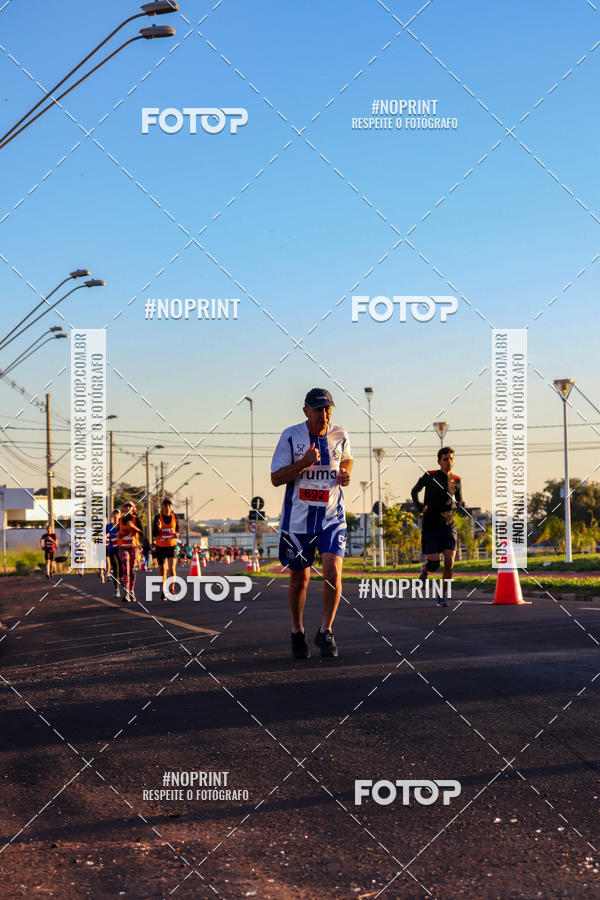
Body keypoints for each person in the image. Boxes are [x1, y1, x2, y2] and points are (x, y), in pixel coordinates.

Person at [271, 388, 353, 659]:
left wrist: (345, 474)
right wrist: (303, 463)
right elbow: (276, 478)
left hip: (332, 516)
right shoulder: (291, 436)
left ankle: (326, 631)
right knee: (300, 579)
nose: (324, 414)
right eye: (318, 409)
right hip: (299, 520)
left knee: (333, 574)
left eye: (328, 408)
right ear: (306, 411)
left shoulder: (339, 434)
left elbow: (348, 459)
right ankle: (297, 631)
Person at [411, 447, 465, 607]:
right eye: (445, 459)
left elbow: (459, 501)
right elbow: (414, 491)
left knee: (449, 562)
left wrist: (462, 505)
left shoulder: (457, 480)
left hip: (448, 526)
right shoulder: (430, 476)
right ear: (439, 461)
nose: (449, 462)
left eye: (451, 459)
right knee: (434, 564)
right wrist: (420, 506)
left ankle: (443, 595)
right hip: (431, 526)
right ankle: (425, 570)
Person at [153, 498, 180, 600]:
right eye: (165, 506)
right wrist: (159, 528)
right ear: (162, 507)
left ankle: (172, 587)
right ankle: (164, 591)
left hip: (171, 546)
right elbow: (154, 533)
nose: (167, 508)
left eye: (169, 506)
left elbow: (177, 530)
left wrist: (177, 534)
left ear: (171, 507)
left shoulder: (175, 517)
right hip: (160, 547)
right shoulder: (157, 518)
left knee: (172, 568)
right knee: (162, 571)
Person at [117, 500, 143, 602]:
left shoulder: (136, 519)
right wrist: (119, 535)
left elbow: (142, 533)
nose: (127, 508)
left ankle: (131, 590)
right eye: (126, 507)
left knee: (131, 570)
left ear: (133, 509)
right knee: (125, 569)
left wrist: (133, 527)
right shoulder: (121, 520)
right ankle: (126, 593)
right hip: (123, 547)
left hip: (133, 547)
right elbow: (119, 532)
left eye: (130, 507)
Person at [106, 509, 123, 598]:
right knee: (115, 567)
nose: (116, 515)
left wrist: (120, 534)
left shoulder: (122, 525)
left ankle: (122, 580)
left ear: (120, 515)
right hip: (112, 549)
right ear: (112, 515)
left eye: (117, 514)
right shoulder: (108, 526)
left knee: (121, 568)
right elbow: (104, 535)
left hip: (121, 549)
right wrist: (106, 536)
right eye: (114, 513)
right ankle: (117, 590)